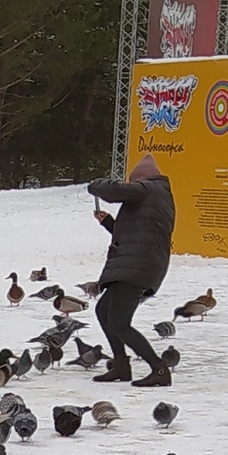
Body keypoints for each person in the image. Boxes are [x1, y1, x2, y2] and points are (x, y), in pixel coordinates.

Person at [86, 152, 175, 384]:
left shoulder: (148, 189)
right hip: (140, 264)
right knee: (104, 311)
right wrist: (108, 223)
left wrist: (96, 185)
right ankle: (121, 366)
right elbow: (136, 236)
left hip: (137, 267)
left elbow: (113, 191)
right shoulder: (157, 198)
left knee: (119, 323)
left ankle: (159, 369)